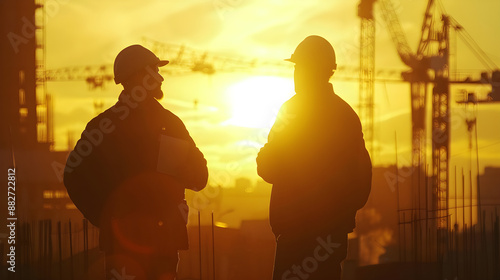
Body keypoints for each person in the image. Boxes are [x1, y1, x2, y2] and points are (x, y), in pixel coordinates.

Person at [63, 45, 208, 280]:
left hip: (128, 242)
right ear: (139, 77)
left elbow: (72, 175)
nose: (160, 79)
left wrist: (105, 218)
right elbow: (199, 177)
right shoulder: (169, 124)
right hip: (161, 242)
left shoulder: (103, 126)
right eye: (154, 72)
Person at [256, 35, 372, 280]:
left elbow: (268, 167)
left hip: (295, 237)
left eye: (299, 67)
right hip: (330, 240)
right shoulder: (346, 116)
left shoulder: (292, 110)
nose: (295, 74)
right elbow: (362, 182)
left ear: (311, 69)